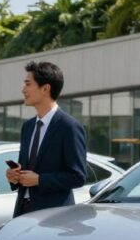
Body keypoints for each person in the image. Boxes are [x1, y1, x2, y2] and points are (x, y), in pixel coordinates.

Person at [7, 61, 88, 217]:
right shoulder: (28, 127)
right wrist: (14, 176)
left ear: (45, 88)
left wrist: (39, 180)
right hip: (22, 211)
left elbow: (77, 176)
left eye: (28, 84)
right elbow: (26, 168)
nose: (23, 90)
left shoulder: (69, 127)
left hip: (53, 216)